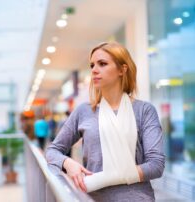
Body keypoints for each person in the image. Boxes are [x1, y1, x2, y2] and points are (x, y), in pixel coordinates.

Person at [45, 42, 165, 201]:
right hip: (93, 198)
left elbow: (156, 166)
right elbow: (52, 151)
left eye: (102, 64)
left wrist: (108, 177)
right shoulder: (84, 111)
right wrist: (68, 163)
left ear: (122, 69)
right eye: (92, 65)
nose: (94, 70)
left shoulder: (144, 111)